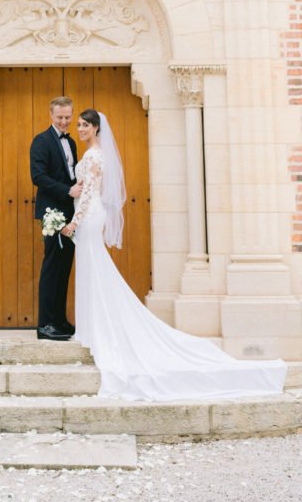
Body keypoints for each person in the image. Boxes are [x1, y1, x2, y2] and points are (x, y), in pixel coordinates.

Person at [61, 109, 288, 401]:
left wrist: (74, 222)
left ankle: (98, 331)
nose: (79, 129)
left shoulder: (93, 156)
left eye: (84, 125)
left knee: (95, 270)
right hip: (91, 216)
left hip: (89, 217)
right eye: (78, 124)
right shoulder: (94, 154)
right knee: (94, 271)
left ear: (95, 128)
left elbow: (90, 191)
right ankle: (92, 329)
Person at [30, 96, 83, 341]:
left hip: (69, 213)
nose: (64, 121)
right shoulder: (41, 141)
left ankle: (59, 321)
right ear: (51, 115)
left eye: (67, 117)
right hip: (52, 213)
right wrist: (67, 191)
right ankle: (45, 325)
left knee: (64, 268)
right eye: (60, 117)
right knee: (51, 267)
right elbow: (38, 176)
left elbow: (70, 175)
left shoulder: (71, 143)